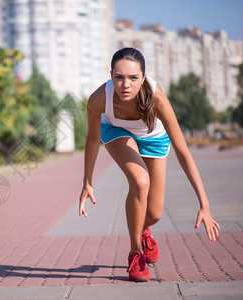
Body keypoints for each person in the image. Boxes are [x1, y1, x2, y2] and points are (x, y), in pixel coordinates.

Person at [78, 47, 220, 282]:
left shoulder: (157, 97)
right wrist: (87, 181)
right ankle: (135, 255)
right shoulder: (98, 99)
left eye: (133, 78)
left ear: (143, 77)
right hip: (116, 131)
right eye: (119, 77)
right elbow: (93, 138)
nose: (125, 85)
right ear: (111, 75)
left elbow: (182, 150)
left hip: (153, 138)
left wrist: (204, 204)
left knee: (153, 213)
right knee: (140, 181)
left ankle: (143, 230)